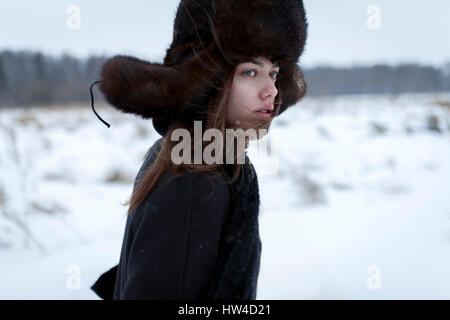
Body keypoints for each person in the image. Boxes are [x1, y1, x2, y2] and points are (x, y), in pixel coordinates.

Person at [90, 0, 308, 300]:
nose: (271, 90)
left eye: (273, 73)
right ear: (208, 81)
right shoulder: (194, 179)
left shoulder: (198, 153)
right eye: (250, 72)